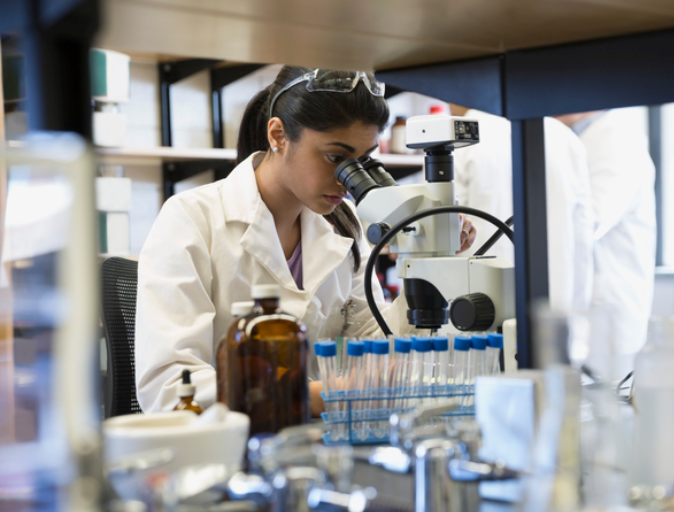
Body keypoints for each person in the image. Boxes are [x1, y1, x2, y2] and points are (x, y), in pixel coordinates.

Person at [135, 67, 477, 414]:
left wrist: (426, 259)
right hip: (223, 447)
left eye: (362, 161)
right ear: (279, 135)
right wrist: (328, 392)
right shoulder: (191, 219)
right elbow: (170, 389)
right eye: (335, 158)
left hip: (319, 442)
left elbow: (378, 346)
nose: (348, 180)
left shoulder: (345, 226)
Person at [449, 105, 594, 315]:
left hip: (477, 311)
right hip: (553, 311)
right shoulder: (565, 137)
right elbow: (582, 240)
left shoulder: (459, 138)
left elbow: (445, 234)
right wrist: (576, 313)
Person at [556, 110, 656, 375]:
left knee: (610, 404)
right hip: (581, 311)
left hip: (608, 307)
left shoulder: (617, 137)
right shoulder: (577, 137)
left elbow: (591, 219)